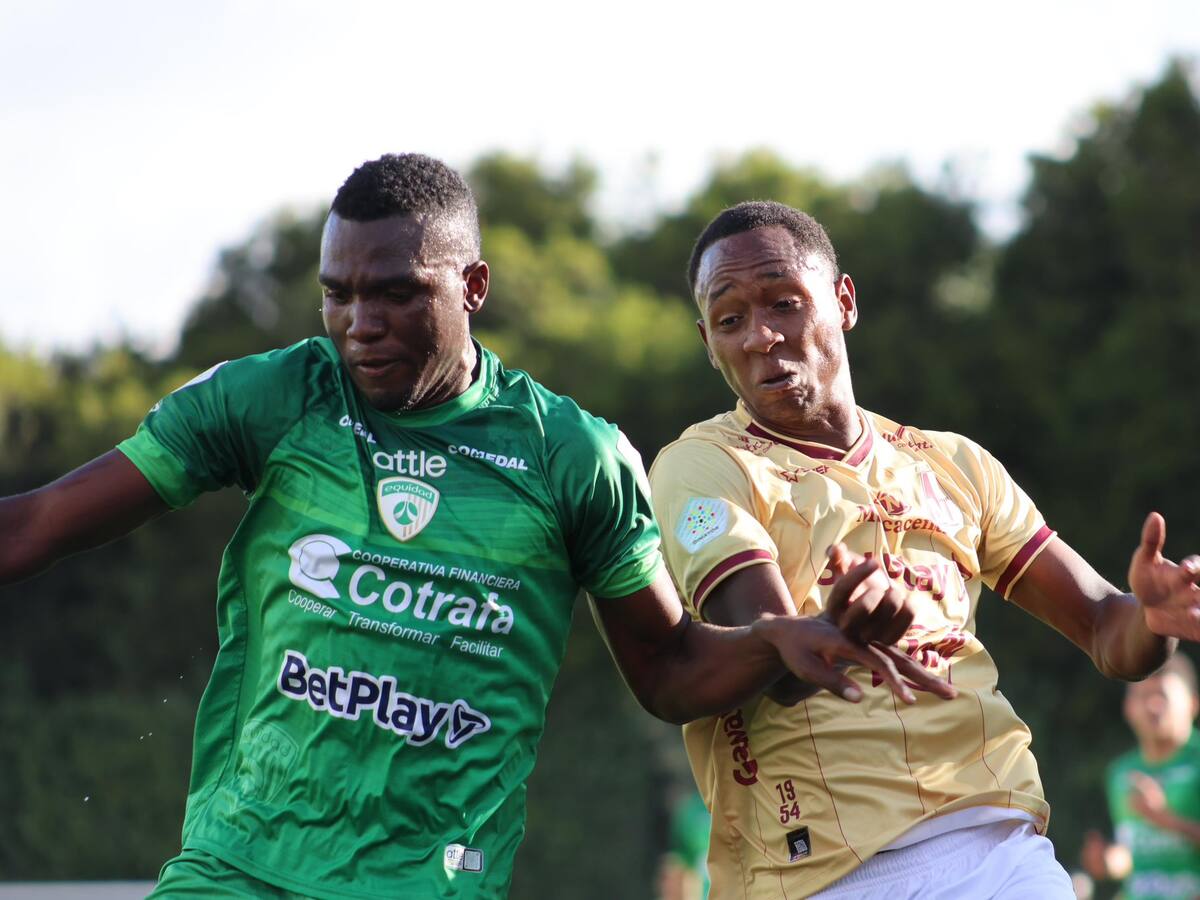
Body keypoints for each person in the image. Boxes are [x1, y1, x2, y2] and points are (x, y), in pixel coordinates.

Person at [0, 156, 953, 899]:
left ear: (474, 287)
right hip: (239, 869)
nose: (359, 322)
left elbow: (668, 670)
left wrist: (781, 643)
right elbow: (35, 525)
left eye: (397, 293)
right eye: (338, 293)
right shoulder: (275, 398)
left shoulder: (571, 455)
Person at [647, 200, 1200, 899]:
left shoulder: (955, 464)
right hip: (821, 871)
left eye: (784, 303)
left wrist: (1152, 622)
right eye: (729, 320)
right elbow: (770, 651)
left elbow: (1103, 627)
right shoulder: (703, 464)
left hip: (1000, 849)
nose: (760, 335)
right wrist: (832, 632)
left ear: (843, 302)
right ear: (708, 339)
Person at [1082, 653, 1200, 899]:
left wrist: (1165, 819)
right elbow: (1134, 852)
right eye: (1143, 696)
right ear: (1128, 707)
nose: (1152, 706)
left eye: (1162, 697)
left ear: (1192, 703)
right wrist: (1109, 861)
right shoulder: (1120, 772)